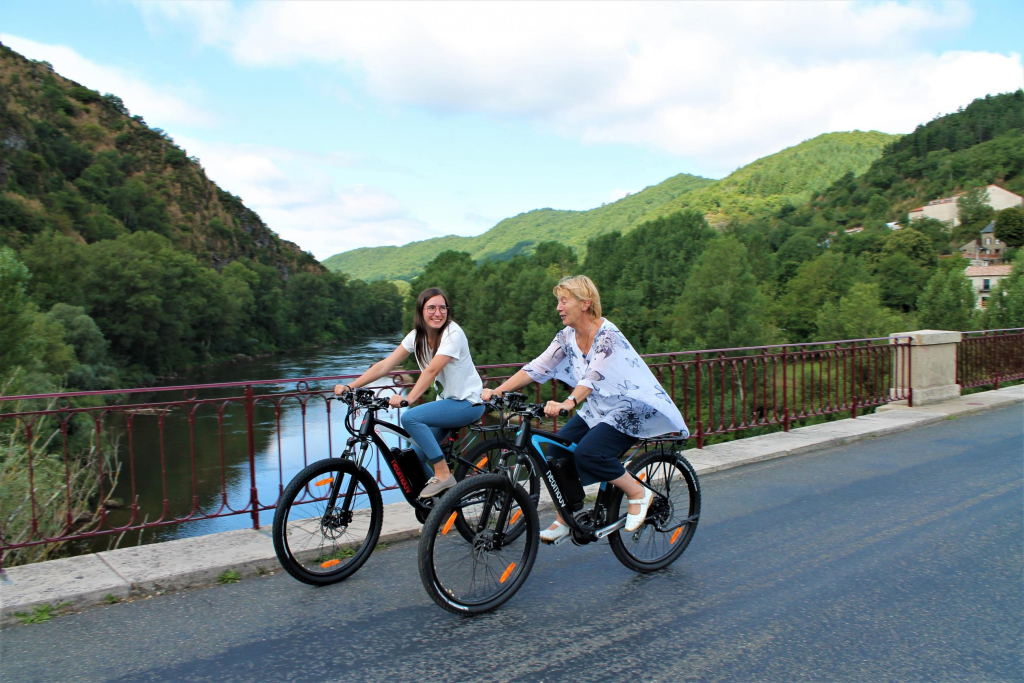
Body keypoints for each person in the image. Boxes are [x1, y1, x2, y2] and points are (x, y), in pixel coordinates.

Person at [481, 275, 688, 543]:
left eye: (564, 301)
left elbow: (592, 377)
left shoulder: (607, 336)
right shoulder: (567, 337)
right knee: (556, 452)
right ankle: (567, 517)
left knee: (591, 453)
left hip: (630, 408)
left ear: (585, 303)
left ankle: (638, 493)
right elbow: (537, 367)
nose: (559, 307)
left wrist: (568, 402)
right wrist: (498, 392)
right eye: (558, 301)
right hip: (598, 408)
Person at [335, 287, 485, 498]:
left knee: (411, 417)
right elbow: (385, 365)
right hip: (446, 403)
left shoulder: (453, 333)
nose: (438, 313)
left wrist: (409, 398)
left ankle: (443, 474)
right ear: (421, 311)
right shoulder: (416, 337)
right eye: (431, 308)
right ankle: (442, 505)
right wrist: (352, 386)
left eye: (443, 308)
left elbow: (433, 369)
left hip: (467, 404)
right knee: (412, 459)